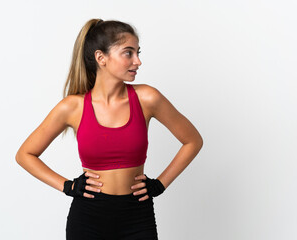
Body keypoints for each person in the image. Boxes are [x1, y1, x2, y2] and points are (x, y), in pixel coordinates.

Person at [15, 18, 203, 240]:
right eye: (128, 53)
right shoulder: (72, 107)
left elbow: (193, 140)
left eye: (138, 52)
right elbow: (25, 155)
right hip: (88, 218)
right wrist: (68, 186)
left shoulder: (148, 98)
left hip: (137, 216)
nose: (138, 61)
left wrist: (160, 184)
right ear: (101, 57)